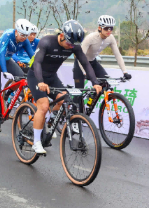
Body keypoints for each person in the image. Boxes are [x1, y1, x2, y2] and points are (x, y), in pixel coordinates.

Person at [28, 20, 102, 154]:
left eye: (73, 45)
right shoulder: (46, 42)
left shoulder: (74, 46)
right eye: (69, 43)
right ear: (62, 36)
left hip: (52, 77)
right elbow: (37, 62)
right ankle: (36, 142)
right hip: (36, 76)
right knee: (43, 106)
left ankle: (48, 122)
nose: (70, 47)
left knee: (64, 99)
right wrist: (40, 81)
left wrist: (95, 82)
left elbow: (85, 64)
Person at [0, 19, 36, 133]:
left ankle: (7, 94)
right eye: (22, 35)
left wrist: (38, 68)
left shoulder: (24, 40)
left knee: (21, 77)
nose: (24, 37)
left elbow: (32, 56)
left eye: (26, 35)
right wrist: (4, 71)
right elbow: (2, 54)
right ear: (16, 31)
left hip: (7, 60)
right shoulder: (8, 35)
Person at [73, 15, 131, 89]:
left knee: (106, 84)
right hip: (80, 64)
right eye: (106, 28)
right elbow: (80, 56)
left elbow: (118, 55)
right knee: (79, 92)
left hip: (93, 62)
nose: (109, 31)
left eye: (111, 28)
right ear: (99, 28)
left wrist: (125, 72)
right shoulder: (90, 38)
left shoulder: (111, 38)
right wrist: (84, 72)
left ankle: (94, 96)